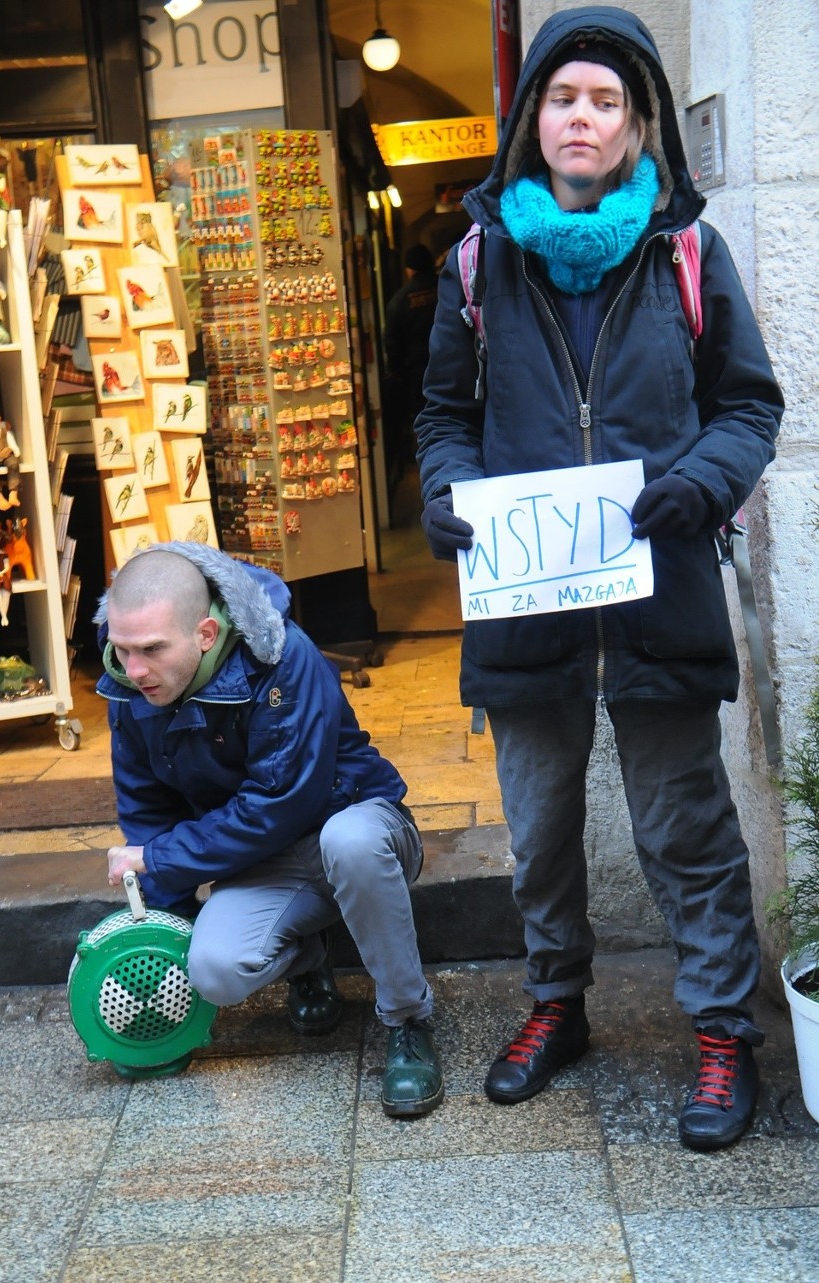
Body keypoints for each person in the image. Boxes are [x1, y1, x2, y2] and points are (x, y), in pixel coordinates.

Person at [415, 6, 784, 1152]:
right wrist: (446, 495)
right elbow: (443, 417)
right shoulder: (479, 261)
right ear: (533, 119)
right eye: (564, 98)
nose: (583, 117)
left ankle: (725, 1032)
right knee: (541, 823)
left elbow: (748, 405)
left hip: (656, 589)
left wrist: (704, 482)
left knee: (686, 825)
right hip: (528, 604)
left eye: (606, 102)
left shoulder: (687, 251)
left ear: (636, 129)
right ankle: (556, 1002)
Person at [96, 541, 443, 1118]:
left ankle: (408, 1020)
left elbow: (279, 802)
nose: (134, 670)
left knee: (348, 842)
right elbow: (148, 811)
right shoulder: (130, 687)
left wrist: (158, 859)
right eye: (123, 648)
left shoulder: (283, 657)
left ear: (206, 634)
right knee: (214, 971)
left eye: (152, 650)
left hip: (356, 825)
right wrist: (166, 936)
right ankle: (308, 958)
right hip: (263, 861)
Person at [383, 243, 438, 491]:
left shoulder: (398, 301)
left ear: (408, 270)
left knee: (425, 426)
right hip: (454, 372)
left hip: (417, 379)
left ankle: (432, 476)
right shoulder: (447, 287)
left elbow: (392, 345)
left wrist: (397, 373)